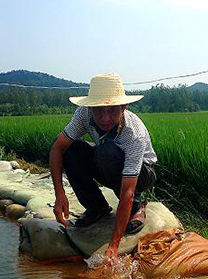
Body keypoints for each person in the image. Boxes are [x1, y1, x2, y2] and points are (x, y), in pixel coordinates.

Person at [49, 73, 157, 266]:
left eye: (112, 110)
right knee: (72, 150)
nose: (105, 118)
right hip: (105, 159)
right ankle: (97, 207)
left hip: (142, 172)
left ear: (124, 108)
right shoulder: (83, 115)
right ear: (90, 108)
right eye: (99, 111)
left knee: (106, 152)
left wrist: (113, 245)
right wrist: (59, 193)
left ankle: (137, 208)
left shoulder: (134, 135)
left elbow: (128, 192)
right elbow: (58, 147)